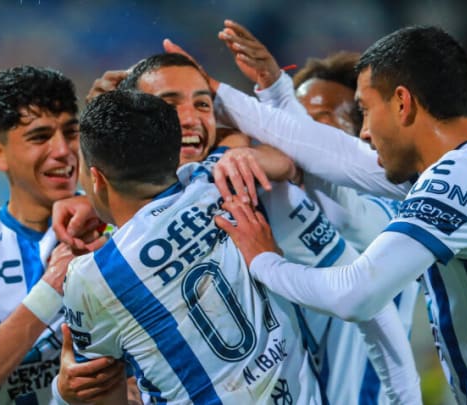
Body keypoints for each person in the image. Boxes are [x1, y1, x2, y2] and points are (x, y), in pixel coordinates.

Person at [214, 25, 467, 404]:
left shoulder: (459, 180)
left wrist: (263, 260)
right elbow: (335, 154)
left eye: (366, 111)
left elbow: (357, 294)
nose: (366, 132)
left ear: (403, 103)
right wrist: (223, 93)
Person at [56, 52, 421, 404]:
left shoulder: (247, 184)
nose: (188, 119)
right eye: (169, 105)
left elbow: (367, 301)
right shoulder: (217, 184)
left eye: (203, 104)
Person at [58, 89, 323, 403]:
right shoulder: (211, 181)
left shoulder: (92, 276)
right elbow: (248, 141)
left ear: (97, 178)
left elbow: (100, 393)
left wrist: (65, 392)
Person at [217, 21, 421, 404]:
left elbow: (338, 196)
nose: (298, 136)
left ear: (363, 134)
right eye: (296, 121)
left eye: (322, 121)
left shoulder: (398, 211)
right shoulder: (284, 211)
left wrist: (277, 93)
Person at [0, 65, 122, 404]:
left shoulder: (117, 223)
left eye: (70, 132)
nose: (63, 150)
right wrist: (51, 289)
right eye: (40, 136)